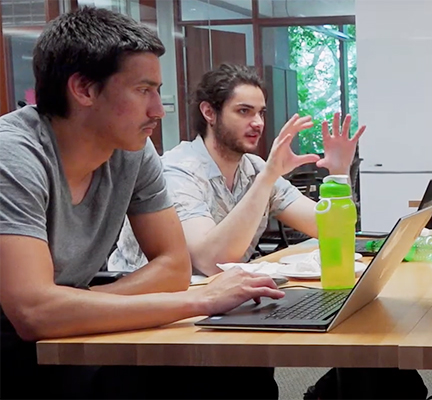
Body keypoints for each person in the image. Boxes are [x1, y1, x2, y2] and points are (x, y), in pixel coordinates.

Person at [0, 8, 284, 399]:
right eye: (142, 90)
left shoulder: (132, 150)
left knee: (238, 370)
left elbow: (173, 268)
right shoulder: (13, 155)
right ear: (83, 89)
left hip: (65, 330)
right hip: (11, 348)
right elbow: (31, 314)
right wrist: (199, 300)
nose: (158, 109)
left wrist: (72, 305)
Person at [109, 63, 364, 276]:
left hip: (214, 300)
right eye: (244, 111)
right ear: (209, 112)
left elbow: (329, 229)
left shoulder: (254, 168)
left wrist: (339, 173)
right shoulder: (178, 171)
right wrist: (267, 178)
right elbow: (210, 263)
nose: (257, 123)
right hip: (149, 307)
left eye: (261, 113)